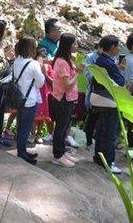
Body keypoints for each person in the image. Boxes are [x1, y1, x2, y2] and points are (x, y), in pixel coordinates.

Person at [91, 35, 125, 174]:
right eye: (118, 46)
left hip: (100, 99)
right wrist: (120, 72)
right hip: (109, 101)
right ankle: (108, 161)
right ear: (112, 48)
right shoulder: (108, 62)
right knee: (110, 131)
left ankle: (99, 157)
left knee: (102, 129)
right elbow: (120, 82)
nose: (119, 49)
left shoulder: (101, 60)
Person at [9, 37, 45, 164]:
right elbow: (40, 83)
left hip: (18, 97)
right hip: (30, 99)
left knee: (20, 126)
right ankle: (22, 153)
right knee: (26, 127)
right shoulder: (33, 64)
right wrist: (42, 69)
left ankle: (22, 150)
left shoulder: (16, 61)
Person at [50, 34, 80, 167]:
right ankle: (57, 156)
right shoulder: (61, 62)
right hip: (62, 98)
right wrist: (78, 72)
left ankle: (62, 152)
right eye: (74, 44)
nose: (77, 46)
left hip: (68, 98)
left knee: (64, 127)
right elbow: (67, 84)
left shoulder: (67, 59)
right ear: (68, 45)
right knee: (60, 128)